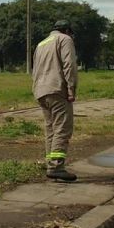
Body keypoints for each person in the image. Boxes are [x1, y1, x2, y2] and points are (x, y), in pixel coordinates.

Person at [32, 19, 79, 182]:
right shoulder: (65, 39)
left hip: (40, 90)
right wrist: (71, 89)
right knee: (62, 128)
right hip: (57, 89)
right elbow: (69, 65)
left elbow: (35, 69)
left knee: (50, 129)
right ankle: (57, 166)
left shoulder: (41, 44)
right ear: (67, 30)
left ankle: (51, 163)